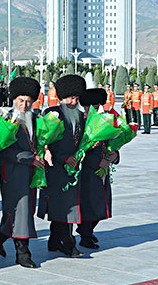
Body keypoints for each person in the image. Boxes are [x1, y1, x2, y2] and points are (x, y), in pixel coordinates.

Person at [0, 77, 43, 268]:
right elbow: (4, 150)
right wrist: (30, 158)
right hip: (12, 172)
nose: (25, 105)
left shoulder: (36, 119)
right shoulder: (6, 120)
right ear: (14, 100)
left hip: (31, 173)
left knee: (26, 210)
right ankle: (23, 253)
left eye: (28, 101)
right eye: (21, 100)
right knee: (19, 210)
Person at [38, 74, 86, 257]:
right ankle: (68, 243)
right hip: (56, 167)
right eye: (70, 97)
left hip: (74, 168)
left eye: (76, 98)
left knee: (68, 205)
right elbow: (46, 141)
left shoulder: (81, 116)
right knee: (63, 205)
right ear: (61, 97)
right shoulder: (52, 114)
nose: (73, 101)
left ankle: (54, 240)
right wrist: (63, 157)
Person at [76, 88, 118, 250]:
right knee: (90, 202)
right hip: (86, 169)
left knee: (102, 202)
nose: (96, 108)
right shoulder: (80, 121)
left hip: (103, 168)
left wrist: (112, 157)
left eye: (98, 105)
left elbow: (112, 143)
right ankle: (85, 233)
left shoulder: (104, 120)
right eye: (92, 105)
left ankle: (88, 229)